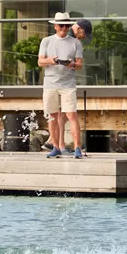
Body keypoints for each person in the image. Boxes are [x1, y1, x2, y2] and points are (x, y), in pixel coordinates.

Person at [39, 11, 84, 158]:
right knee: (52, 116)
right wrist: (51, 60)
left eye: (67, 25)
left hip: (68, 84)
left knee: (71, 114)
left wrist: (71, 64)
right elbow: (40, 62)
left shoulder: (75, 42)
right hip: (50, 83)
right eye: (61, 25)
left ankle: (77, 148)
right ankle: (56, 147)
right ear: (55, 26)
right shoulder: (46, 41)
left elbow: (79, 65)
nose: (64, 28)